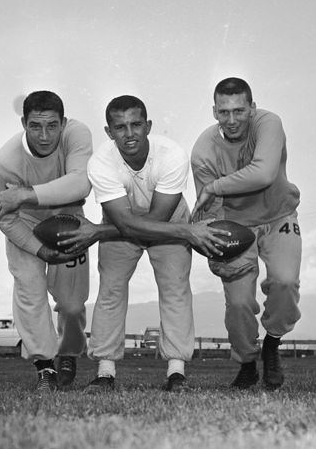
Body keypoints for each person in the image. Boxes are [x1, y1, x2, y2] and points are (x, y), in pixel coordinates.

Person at [56, 95, 230, 392]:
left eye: (136, 124)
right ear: (109, 132)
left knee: (175, 290)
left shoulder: (172, 155)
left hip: (168, 217)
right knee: (110, 289)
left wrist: (98, 232)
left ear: (148, 126)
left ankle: (176, 373)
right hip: (121, 221)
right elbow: (126, 224)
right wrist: (188, 233)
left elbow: (158, 221)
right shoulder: (100, 163)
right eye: (120, 127)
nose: (129, 133)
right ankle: (105, 372)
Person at [190, 77, 302, 390]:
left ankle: (272, 343)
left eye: (239, 110)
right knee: (238, 303)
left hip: (278, 215)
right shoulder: (203, 151)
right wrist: (213, 250)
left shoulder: (268, 123)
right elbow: (207, 213)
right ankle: (248, 362)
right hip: (236, 224)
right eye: (224, 112)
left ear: (252, 107)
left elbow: (264, 173)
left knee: (285, 281)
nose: (232, 119)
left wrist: (216, 186)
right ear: (214, 112)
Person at [0, 90, 93, 393]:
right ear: (24, 123)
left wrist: (24, 193)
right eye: (36, 126)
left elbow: (80, 183)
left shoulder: (77, 133)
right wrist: (39, 249)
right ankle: (44, 366)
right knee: (30, 292)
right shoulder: (6, 160)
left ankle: (69, 354)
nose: (45, 135)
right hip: (25, 223)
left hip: (67, 219)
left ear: (63, 122)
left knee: (72, 305)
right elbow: (4, 216)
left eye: (52, 125)